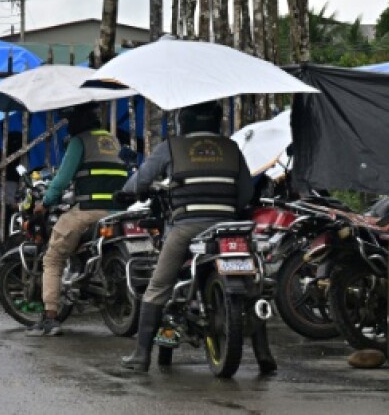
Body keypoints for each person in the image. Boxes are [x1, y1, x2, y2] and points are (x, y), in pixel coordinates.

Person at [118, 100, 274, 374]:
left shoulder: (170, 147)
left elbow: (140, 182)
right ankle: (264, 357)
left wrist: (128, 191)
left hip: (187, 226)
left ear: (183, 121)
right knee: (253, 288)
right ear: (217, 122)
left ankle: (141, 356)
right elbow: (246, 194)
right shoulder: (232, 147)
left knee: (158, 287)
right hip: (229, 226)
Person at [26, 103, 128, 337]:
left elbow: (62, 180)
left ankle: (50, 317)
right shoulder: (112, 140)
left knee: (53, 258)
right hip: (119, 212)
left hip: (89, 211)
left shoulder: (79, 142)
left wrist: (47, 202)